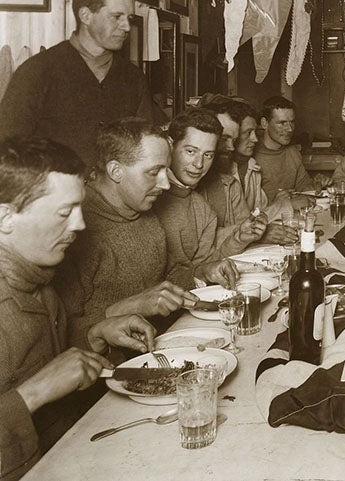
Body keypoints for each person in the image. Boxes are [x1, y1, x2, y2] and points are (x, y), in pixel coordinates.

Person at [0, 136, 157, 480]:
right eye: (64, 213)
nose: (79, 225)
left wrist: (94, 335)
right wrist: (33, 393)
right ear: (6, 218)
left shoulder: (40, 281)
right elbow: (42, 382)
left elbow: (51, 362)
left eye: (79, 209)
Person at [55, 118, 225, 347]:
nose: (165, 184)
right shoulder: (72, 232)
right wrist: (131, 307)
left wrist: (201, 273)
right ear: (115, 171)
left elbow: (167, 277)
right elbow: (59, 335)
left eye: (165, 170)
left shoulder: (142, 208)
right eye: (154, 172)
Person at [0, 0, 162, 164]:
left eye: (129, 19)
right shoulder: (36, 71)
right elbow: (8, 147)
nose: (126, 27)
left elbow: (145, 143)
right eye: (117, 17)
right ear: (86, 16)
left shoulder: (133, 77)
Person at [153, 109, 265, 286]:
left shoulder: (202, 208)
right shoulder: (148, 197)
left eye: (208, 155)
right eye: (191, 151)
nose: (199, 164)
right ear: (170, 145)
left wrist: (239, 238)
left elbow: (204, 267)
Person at [197, 96, 296, 245]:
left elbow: (248, 222)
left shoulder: (249, 169)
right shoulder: (199, 177)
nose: (255, 139)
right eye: (248, 132)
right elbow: (200, 240)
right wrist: (260, 232)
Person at [253, 96, 316, 208]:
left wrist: (317, 185)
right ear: (264, 123)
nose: (290, 129)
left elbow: (304, 186)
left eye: (292, 122)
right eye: (282, 123)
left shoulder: (293, 152)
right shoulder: (251, 157)